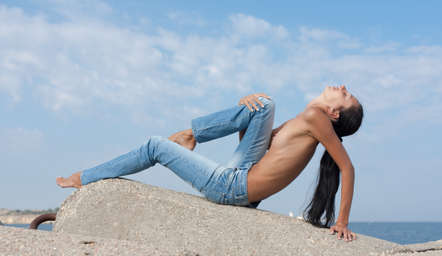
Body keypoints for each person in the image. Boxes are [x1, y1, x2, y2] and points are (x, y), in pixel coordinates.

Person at [57, 85, 363, 242]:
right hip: (243, 179)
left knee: (154, 146)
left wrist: (342, 222)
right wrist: (247, 106)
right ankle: (192, 135)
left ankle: (84, 177)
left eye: (346, 95)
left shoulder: (316, 118)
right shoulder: (302, 121)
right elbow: (254, 144)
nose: (343, 87)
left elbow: (346, 167)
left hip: (233, 187)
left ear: (334, 113)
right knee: (262, 103)